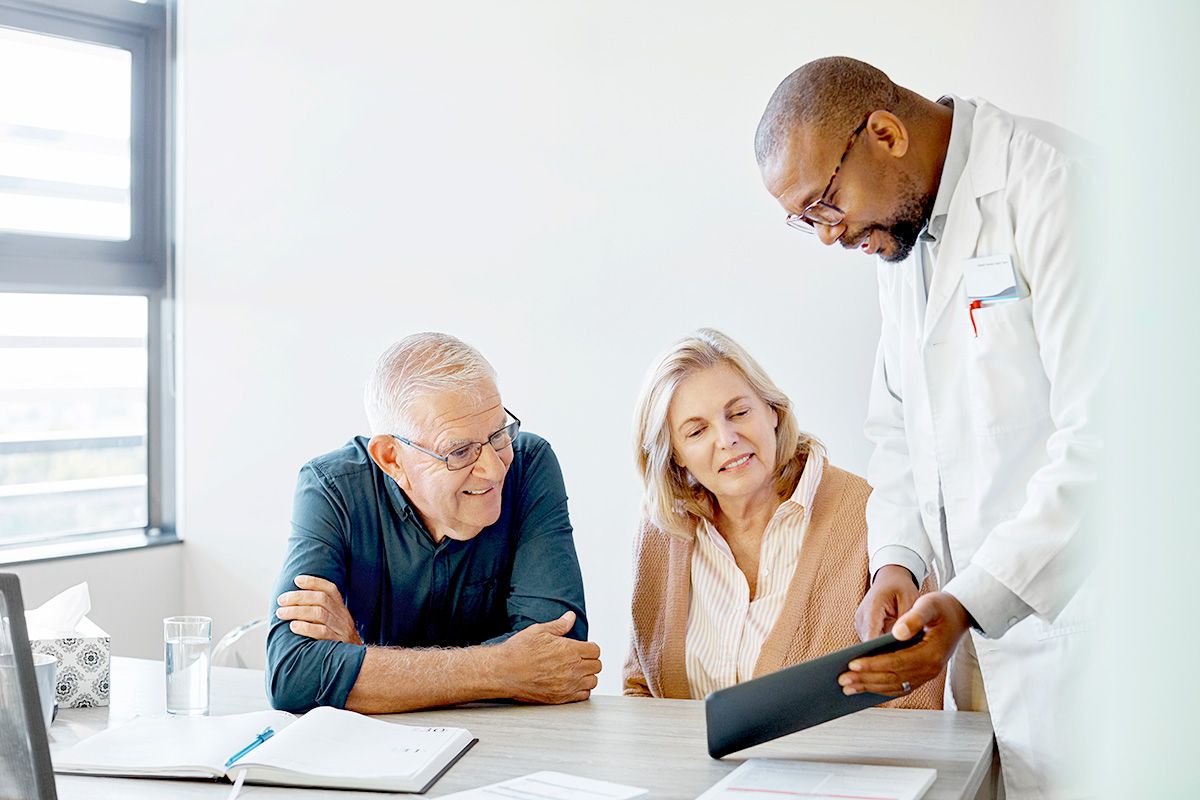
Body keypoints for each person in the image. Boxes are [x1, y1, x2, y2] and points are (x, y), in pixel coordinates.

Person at [754, 57, 1100, 797]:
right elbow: (901, 428)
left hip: (1094, 641)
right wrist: (897, 565)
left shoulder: (1056, 187)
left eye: (824, 205)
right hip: (985, 652)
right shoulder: (902, 233)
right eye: (805, 221)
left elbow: (1107, 443)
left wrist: (969, 601)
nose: (827, 237)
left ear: (884, 134)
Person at [265, 332, 602, 713]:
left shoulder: (529, 464)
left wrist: (361, 658)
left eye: (498, 435)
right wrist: (504, 668)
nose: (494, 469)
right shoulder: (333, 488)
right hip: (378, 742)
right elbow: (292, 677)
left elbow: (559, 658)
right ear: (392, 458)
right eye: (459, 451)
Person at [623, 328, 941, 710]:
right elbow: (641, 691)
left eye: (739, 413)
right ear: (675, 453)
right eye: (697, 431)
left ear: (772, 410)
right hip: (688, 754)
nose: (726, 438)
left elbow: (916, 705)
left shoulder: (877, 520)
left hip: (843, 753)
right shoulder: (663, 530)